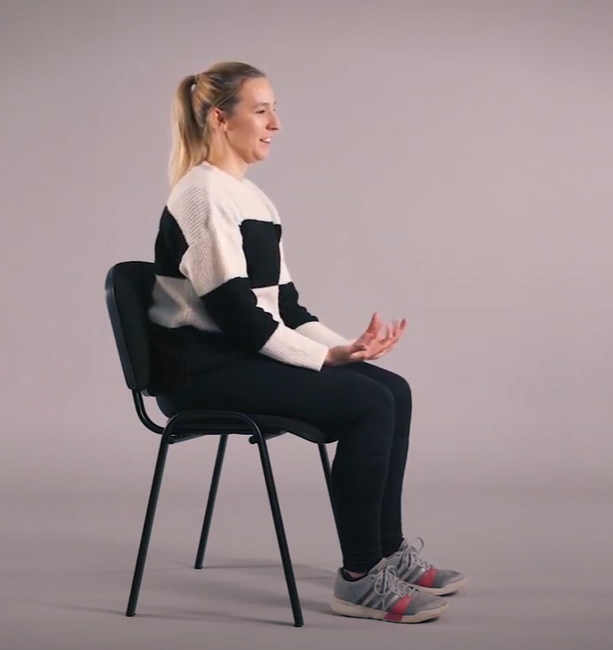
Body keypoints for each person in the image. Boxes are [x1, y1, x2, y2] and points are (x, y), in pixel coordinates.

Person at [145, 61, 465, 624]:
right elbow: (238, 317)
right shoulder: (200, 196)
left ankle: (387, 551)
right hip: (201, 370)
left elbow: (285, 308)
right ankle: (361, 577)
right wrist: (326, 359)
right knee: (366, 403)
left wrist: (348, 348)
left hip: (239, 355)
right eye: (261, 110)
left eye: (274, 110)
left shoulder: (254, 200)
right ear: (221, 119)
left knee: (393, 388)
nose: (276, 124)